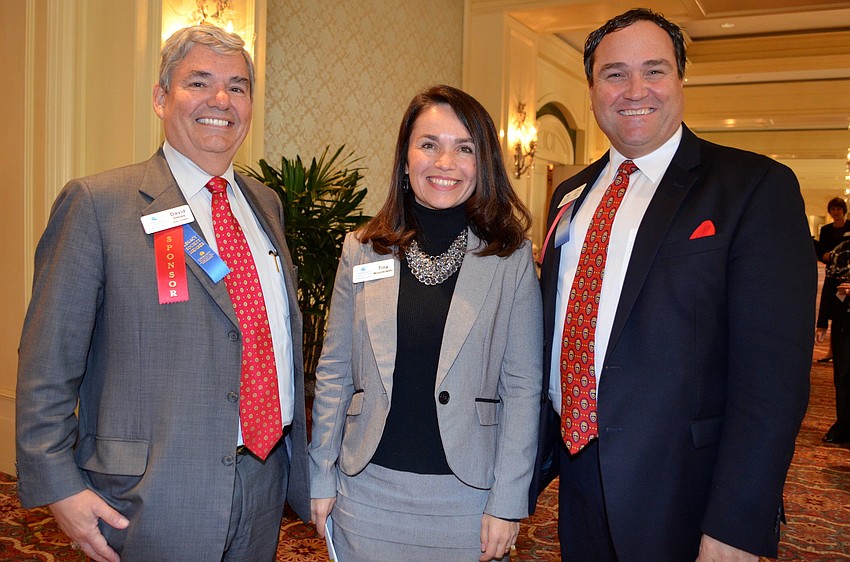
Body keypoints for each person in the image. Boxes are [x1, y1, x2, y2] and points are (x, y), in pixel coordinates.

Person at [15, 24, 309, 562]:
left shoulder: (266, 205)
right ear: (160, 98)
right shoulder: (99, 205)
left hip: (265, 480)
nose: (221, 100)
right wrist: (58, 485)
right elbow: (47, 361)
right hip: (150, 493)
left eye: (238, 87)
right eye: (198, 82)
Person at [531, 8, 815, 561]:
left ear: (681, 80)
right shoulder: (571, 193)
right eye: (614, 74)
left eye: (654, 70)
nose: (635, 89)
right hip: (578, 473)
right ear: (591, 88)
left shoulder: (753, 188)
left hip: (687, 490)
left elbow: (773, 380)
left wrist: (737, 521)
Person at [309, 84, 542, 561]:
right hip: (366, 490)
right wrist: (320, 474)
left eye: (464, 148)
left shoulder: (509, 256)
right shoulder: (363, 248)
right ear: (406, 155)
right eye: (429, 144)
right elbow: (333, 370)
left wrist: (508, 502)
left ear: (484, 163)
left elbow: (523, 387)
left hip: (468, 500)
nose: (444, 163)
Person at [821, 240, 850, 443]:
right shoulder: (842, 250)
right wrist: (822, 322)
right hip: (844, 322)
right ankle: (844, 424)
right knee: (843, 375)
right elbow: (830, 287)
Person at [815, 197, 850, 362]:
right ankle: (832, 350)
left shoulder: (849, 226)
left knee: (843, 312)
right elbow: (822, 251)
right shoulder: (826, 230)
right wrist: (826, 255)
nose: (836, 212)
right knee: (831, 310)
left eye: (838, 209)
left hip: (847, 276)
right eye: (833, 209)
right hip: (832, 274)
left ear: (843, 210)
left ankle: (839, 350)